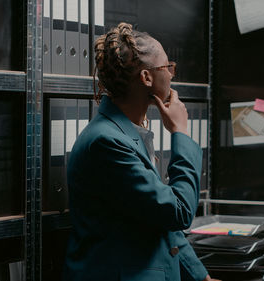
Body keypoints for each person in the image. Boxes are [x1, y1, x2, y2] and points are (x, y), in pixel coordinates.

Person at [62, 22, 220, 281]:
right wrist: (180, 132)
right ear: (146, 78)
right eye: (167, 67)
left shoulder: (127, 133)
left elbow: (157, 219)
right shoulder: (106, 142)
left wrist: (200, 276)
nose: (171, 75)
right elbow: (178, 212)